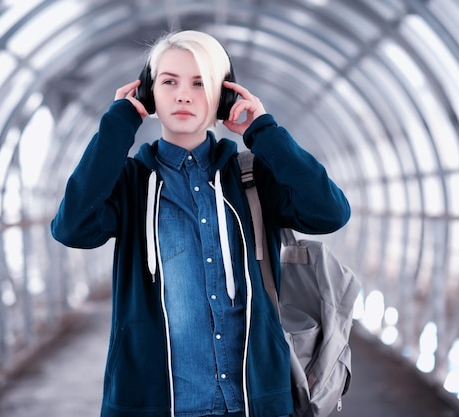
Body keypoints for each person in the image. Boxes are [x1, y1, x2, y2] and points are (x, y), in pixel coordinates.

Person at [51, 30, 350, 417]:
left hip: (255, 402)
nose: (183, 95)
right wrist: (117, 127)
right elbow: (72, 227)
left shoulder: (254, 178)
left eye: (200, 82)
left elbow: (330, 212)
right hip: (157, 404)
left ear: (223, 96)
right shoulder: (130, 183)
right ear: (148, 94)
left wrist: (264, 133)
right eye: (169, 81)